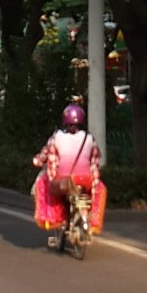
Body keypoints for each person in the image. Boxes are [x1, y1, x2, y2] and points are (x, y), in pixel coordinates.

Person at [32, 103, 107, 246]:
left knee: (43, 184)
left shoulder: (57, 137)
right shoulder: (89, 138)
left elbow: (45, 155)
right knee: (100, 189)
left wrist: (37, 160)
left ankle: (55, 219)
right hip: (87, 180)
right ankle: (93, 222)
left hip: (63, 182)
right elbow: (96, 158)